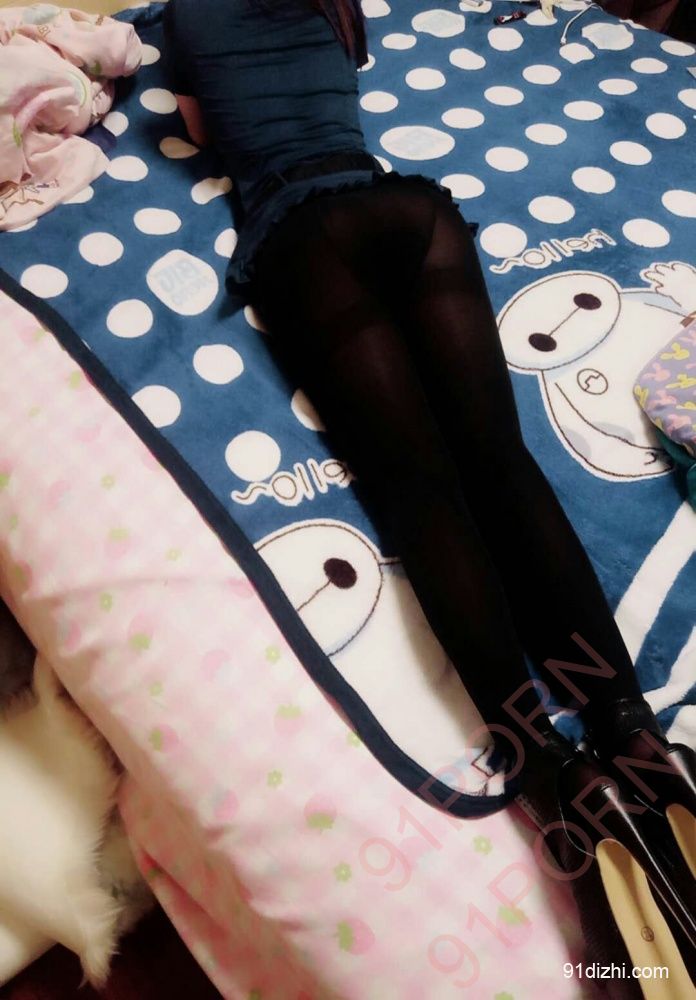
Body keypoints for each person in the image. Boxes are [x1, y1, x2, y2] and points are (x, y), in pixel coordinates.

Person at [163, 0, 696, 977]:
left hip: (304, 234)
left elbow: (205, 131)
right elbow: (339, 76)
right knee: (502, 464)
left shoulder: (186, 16)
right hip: (412, 214)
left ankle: (550, 768)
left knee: (424, 499)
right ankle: (633, 735)